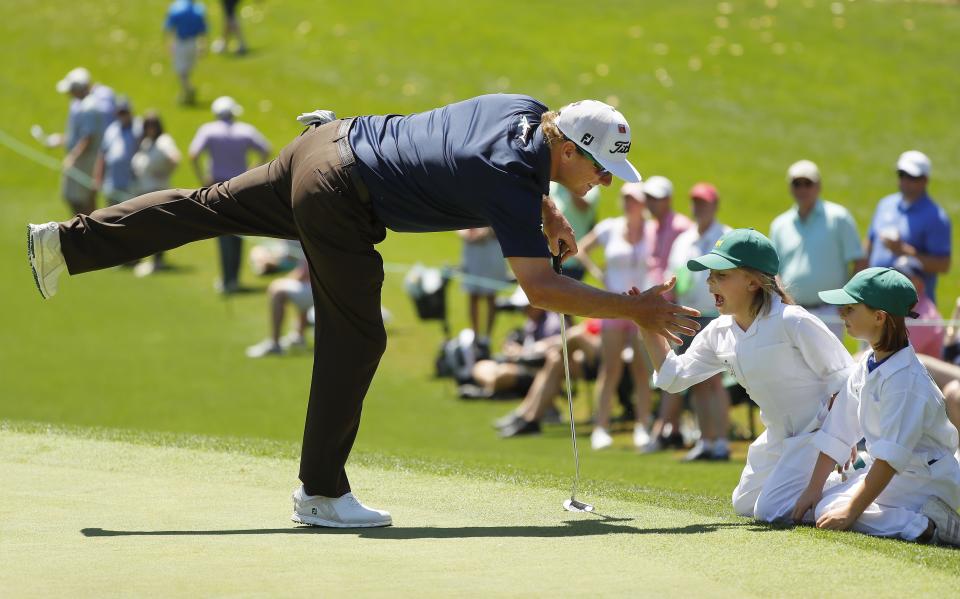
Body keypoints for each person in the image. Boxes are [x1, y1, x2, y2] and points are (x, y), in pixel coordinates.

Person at [28, 94, 700, 528]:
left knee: (206, 207)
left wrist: (549, 211)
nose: (607, 183)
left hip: (324, 143)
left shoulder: (529, 111)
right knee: (359, 339)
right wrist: (634, 309)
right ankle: (320, 492)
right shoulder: (511, 171)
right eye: (603, 169)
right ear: (567, 151)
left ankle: (66, 242)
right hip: (340, 193)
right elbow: (540, 289)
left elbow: (515, 165)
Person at [636, 228, 855, 521]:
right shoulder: (718, 331)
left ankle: (857, 487)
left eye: (721, 275)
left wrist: (841, 444)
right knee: (744, 504)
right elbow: (674, 378)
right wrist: (648, 324)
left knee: (770, 511)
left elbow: (847, 382)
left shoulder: (794, 321)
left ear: (753, 282)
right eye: (710, 275)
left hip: (817, 434)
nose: (710, 281)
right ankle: (836, 485)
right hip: (777, 434)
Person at [790, 268, 960, 546]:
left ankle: (927, 526)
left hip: (927, 482)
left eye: (850, 308)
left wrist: (851, 512)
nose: (842, 314)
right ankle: (912, 519)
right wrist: (813, 489)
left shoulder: (905, 380)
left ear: (879, 317)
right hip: (902, 476)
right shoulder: (869, 361)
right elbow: (839, 429)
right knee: (822, 500)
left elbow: (890, 459)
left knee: (829, 510)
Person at [576, 183, 654, 450]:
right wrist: (600, 276)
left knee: (642, 369)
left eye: (633, 199)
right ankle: (601, 426)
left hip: (642, 308)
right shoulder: (610, 227)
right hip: (613, 306)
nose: (628, 203)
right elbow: (581, 248)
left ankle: (643, 425)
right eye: (626, 199)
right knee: (610, 368)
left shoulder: (652, 230)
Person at [666, 183, 732, 460]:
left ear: (714, 206)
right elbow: (674, 276)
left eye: (703, 203)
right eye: (695, 202)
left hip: (716, 315)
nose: (698, 208)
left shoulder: (725, 236)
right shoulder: (684, 240)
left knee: (715, 380)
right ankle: (707, 439)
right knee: (698, 380)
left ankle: (722, 442)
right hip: (689, 315)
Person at [770, 160, 866, 339]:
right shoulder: (779, 224)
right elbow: (774, 270)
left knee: (829, 366)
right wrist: (783, 301)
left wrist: (848, 300)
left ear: (818, 186)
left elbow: (859, 261)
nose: (802, 189)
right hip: (792, 310)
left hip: (830, 310)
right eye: (797, 184)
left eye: (808, 183)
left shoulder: (839, 217)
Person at [189, 96, 270, 293]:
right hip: (240, 187)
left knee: (223, 232)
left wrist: (203, 179)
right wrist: (251, 173)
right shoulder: (245, 130)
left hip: (217, 187)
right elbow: (265, 149)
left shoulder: (208, 130)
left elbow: (193, 154)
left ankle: (228, 280)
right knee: (239, 231)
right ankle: (233, 278)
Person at [642, 175, 693, 449]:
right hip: (656, 307)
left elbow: (682, 271)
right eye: (649, 198)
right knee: (662, 369)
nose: (652, 203)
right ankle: (666, 427)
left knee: (673, 369)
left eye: (657, 198)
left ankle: (663, 429)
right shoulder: (652, 227)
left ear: (668, 200)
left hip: (674, 308)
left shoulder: (683, 227)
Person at [865, 151, 951, 303]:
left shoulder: (936, 217)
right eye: (902, 174)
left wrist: (903, 251)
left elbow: (943, 264)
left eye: (912, 177)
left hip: (910, 306)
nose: (905, 181)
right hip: (875, 301)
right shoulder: (885, 204)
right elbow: (869, 244)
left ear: (925, 180)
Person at [496, 320, 602, 438]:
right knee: (554, 360)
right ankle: (525, 414)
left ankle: (529, 418)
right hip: (587, 355)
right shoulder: (599, 316)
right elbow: (581, 330)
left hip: (609, 358)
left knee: (568, 344)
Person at [52, 67, 115, 215]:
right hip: (83, 161)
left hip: (85, 163)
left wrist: (72, 157)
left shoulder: (89, 107)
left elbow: (88, 138)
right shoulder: (83, 105)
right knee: (77, 200)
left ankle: (86, 233)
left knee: (83, 202)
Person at [130, 111, 182, 276]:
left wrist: (165, 173)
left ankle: (157, 261)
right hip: (142, 191)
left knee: (156, 228)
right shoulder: (146, 143)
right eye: (147, 125)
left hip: (156, 191)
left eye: (153, 125)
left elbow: (175, 158)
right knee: (146, 227)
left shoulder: (164, 141)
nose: (150, 128)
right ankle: (147, 259)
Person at [246, 254, 312, 358]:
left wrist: (286, 279)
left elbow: (304, 274)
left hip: (316, 289)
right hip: (324, 288)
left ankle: (275, 344)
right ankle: (299, 336)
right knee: (286, 287)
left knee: (277, 291)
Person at [458, 227, 507, 355]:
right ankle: (476, 336)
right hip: (472, 249)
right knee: (473, 295)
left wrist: (486, 232)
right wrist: (465, 233)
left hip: (490, 248)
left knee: (491, 295)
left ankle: (487, 338)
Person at [890, 256, 944, 357]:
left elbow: (895, 354)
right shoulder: (907, 307)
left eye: (905, 277)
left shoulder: (925, 317)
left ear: (920, 284)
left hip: (924, 370)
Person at [547, 181, 600, 281]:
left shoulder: (589, 186)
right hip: (547, 260)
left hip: (573, 262)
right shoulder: (550, 185)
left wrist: (568, 184)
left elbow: (584, 207)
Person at [94, 97, 141, 206]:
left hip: (131, 184)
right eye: (120, 113)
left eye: (125, 112)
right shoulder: (112, 130)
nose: (123, 116)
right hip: (112, 184)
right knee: (111, 216)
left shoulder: (138, 128)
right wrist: (98, 177)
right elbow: (102, 154)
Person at [165, 0, 208, 105]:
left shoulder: (176, 7)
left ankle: (188, 88)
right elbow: (203, 30)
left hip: (181, 42)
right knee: (187, 69)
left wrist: (169, 43)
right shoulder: (199, 9)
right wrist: (203, 45)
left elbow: (169, 26)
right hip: (193, 43)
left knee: (181, 71)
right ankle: (185, 92)